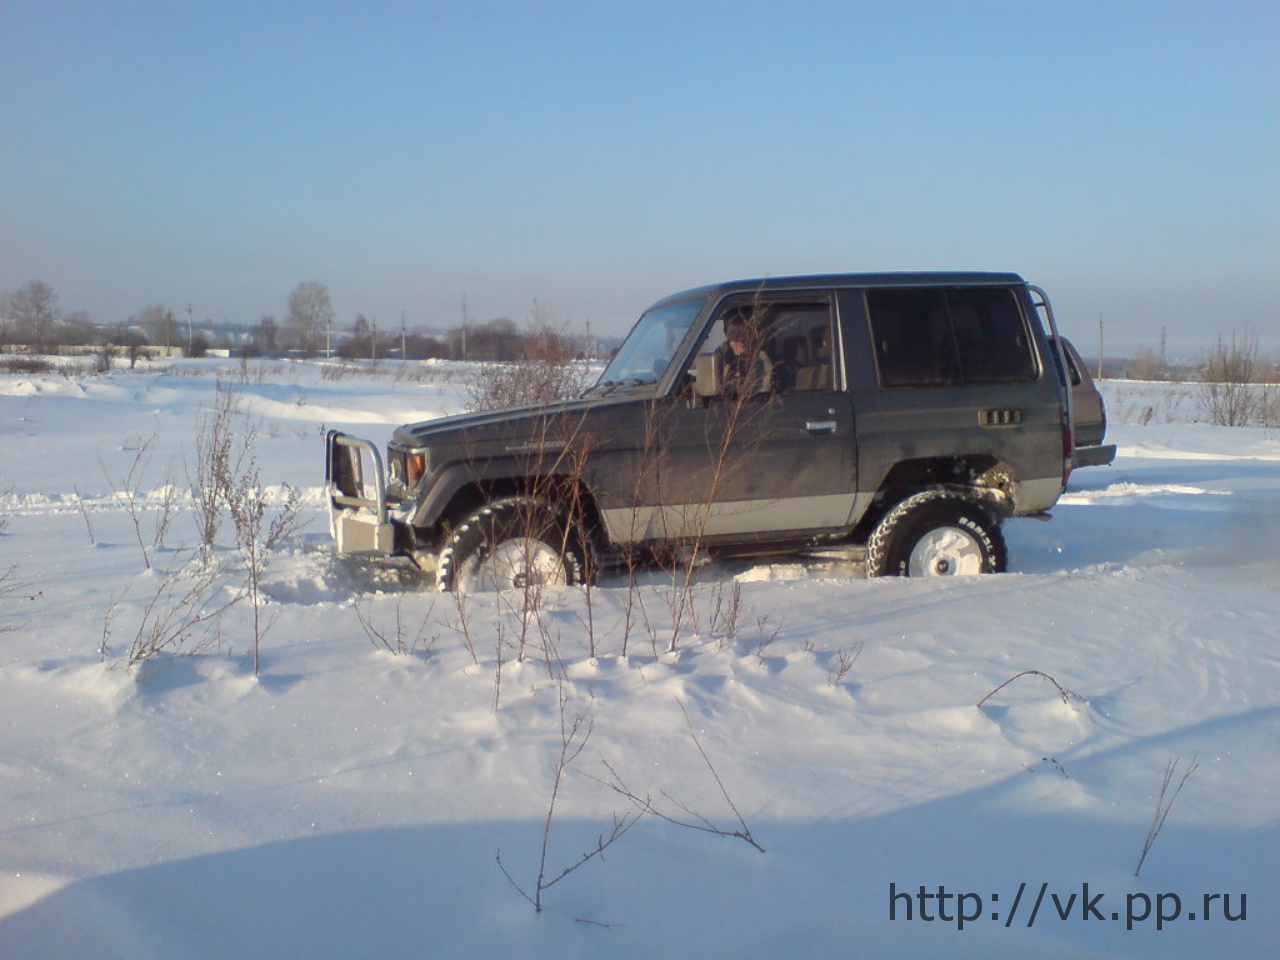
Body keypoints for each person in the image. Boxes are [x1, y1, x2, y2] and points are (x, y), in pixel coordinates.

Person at [717, 317, 773, 396]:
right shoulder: (719, 356)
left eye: (744, 334)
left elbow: (764, 389)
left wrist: (750, 358)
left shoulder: (760, 357)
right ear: (726, 335)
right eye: (735, 334)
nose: (741, 339)